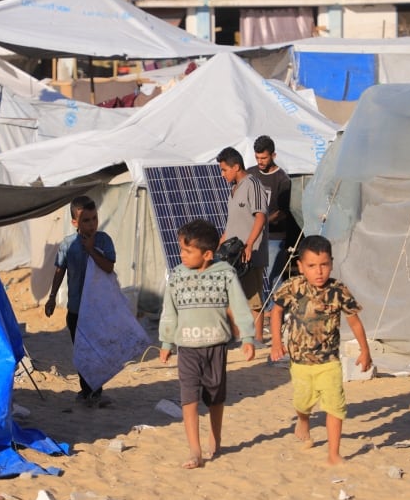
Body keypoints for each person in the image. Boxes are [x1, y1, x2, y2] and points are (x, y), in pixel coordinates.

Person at [159, 219, 256, 469]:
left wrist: (247, 337)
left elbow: (239, 305)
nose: (182, 255)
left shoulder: (225, 273)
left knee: (215, 396)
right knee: (188, 397)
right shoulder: (177, 277)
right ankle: (195, 450)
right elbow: (169, 311)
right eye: (181, 249)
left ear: (207, 254)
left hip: (216, 345)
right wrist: (167, 341)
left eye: (188, 251)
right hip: (187, 348)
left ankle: (216, 437)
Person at [269, 235, 372, 465]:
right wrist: (277, 342)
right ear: (301, 266)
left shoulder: (338, 291)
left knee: (335, 405)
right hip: (300, 362)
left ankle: (334, 454)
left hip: (329, 362)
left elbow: (354, 321)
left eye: (324, 265)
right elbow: (275, 312)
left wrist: (365, 351)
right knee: (303, 402)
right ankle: (303, 420)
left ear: (332, 263)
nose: (319, 272)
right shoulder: (292, 287)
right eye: (312, 266)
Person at [45, 196, 116, 405]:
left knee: (96, 349)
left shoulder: (104, 241)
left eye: (94, 219)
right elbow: (60, 270)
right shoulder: (68, 244)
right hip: (76, 308)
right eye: (86, 220)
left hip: (98, 309)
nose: (92, 224)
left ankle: (95, 389)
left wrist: (91, 250)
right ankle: (86, 389)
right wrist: (51, 297)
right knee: (81, 351)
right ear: (75, 223)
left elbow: (109, 267)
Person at [216, 146, 268, 345]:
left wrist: (249, 244)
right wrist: (219, 245)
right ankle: (237, 337)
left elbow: (260, 217)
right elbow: (232, 224)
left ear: (236, 166)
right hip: (232, 254)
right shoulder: (233, 189)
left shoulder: (252, 184)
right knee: (231, 295)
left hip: (250, 252)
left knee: (253, 297)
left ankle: (258, 339)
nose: (222, 174)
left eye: (224, 170)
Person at [249, 135, 300, 293]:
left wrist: (262, 221)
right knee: (254, 276)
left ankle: (274, 311)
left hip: (274, 237)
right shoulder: (250, 174)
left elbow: (283, 212)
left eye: (263, 158)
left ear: (273, 155)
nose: (260, 162)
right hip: (252, 236)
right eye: (257, 158)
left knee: (273, 275)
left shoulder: (282, 179)